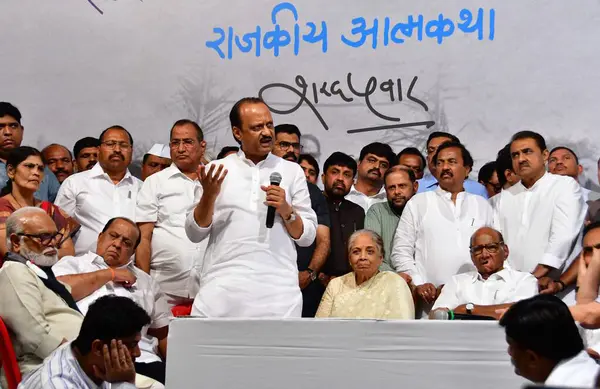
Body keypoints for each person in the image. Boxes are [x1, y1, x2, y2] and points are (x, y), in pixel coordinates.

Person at [185, 97, 317, 318]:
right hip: (223, 288)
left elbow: (307, 237)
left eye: (269, 125)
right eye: (257, 127)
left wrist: (286, 209)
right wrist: (208, 196)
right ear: (237, 133)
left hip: (278, 291)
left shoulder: (292, 171)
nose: (267, 133)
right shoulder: (217, 170)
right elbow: (194, 233)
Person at [53, 217, 171, 384]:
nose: (117, 244)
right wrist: (110, 274)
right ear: (100, 237)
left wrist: (178, 368)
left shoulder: (146, 282)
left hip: (142, 360)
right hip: (93, 359)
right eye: (113, 236)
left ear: (133, 252)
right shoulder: (73, 264)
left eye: (126, 243)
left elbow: (163, 334)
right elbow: (57, 292)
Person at [391, 142, 493, 316]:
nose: (445, 167)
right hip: (430, 301)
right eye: (440, 163)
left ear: (467, 169)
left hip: (476, 300)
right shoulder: (418, 203)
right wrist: (419, 283)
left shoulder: (482, 205)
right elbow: (400, 251)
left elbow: (494, 252)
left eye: (452, 161)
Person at [0, 208, 83, 376]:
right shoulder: (14, 271)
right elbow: (36, 335)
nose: (52, 242)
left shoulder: (41, 274)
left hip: (71, 366)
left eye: (54, 236)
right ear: (16, 242)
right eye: (44, 237)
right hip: (49, 370)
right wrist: (83, 362)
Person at [493, 131, 586, 279]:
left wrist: (536, 275)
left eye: (527, 152)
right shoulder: (504, 197)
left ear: (544, 155)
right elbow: (497, 242)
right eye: (515, 155)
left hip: (552, 285)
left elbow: (563, 235)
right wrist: (510, 279)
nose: (521, 159)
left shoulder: (564, 186)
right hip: (511, 286)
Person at [18, 295, 161, 389]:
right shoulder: (57, 384)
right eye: (131, 345)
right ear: (98, 348)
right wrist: (124, 384)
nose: (137, 353)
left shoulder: (83, 354)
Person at [136, 120, 207, 307]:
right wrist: (145, 285)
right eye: (175, 143)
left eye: (187, 142)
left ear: (202, 146)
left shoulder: (217, 180)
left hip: (210, 286)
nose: (181, 148)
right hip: (163, 286)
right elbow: (144, 237)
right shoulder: (155, 182)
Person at [273, 124, 330, 317]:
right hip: (268, 278)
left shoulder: (313, 191)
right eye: (283, 144)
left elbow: (323, 239)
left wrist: (310, 273)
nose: (291, 150)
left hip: (304, 282)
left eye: (295, 146)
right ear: (270, 145)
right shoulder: (262, 181)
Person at [56, 125, 142, 255]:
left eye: (123, 145)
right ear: (99, 149)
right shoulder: (75, 183)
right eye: (110, 144)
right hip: (82, 269)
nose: (117, 149)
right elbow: (59, 231)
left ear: (131, 150)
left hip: (127, 270)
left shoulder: (142, 188)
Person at [430, 227, 537, 319]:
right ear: (471, 256)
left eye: (491, 247)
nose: (484, 255)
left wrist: (467, 309)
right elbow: (436, 315)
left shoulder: (524, 280)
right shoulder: (457, 282)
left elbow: (523, 312)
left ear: (505, 251)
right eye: (477, 249)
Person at [500, 295, 599, 387]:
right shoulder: (589, 371)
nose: (509, 352)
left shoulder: (561, 384)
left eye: (511, 346)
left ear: (532, 358)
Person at [0, 147, 80, 258]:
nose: (36, 173)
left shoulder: (50, 209)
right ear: (11, 171)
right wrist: (49, 252)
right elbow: (10, 251)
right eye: (29, 166)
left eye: (40, 169)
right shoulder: (2, 207)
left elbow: (69, 251)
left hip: (52, 273)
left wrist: (40, 255)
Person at [316, 230, 414, 319]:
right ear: (350, 259)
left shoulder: (394, 283)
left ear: (381, 258)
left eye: (370, 252)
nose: (362, 257)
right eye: (356, 252)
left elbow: (403, 328)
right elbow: (319, 327)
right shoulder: (336, 285)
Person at [320, 152, 365, 287]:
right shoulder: (311, 205)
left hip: (350, 285)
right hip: (315, 283)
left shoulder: (357, 211)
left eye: (346, 175)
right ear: (323, 177)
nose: (340, 178)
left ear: (352, 182)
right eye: (335, 172)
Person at [0, 102, 60, 202]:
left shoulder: (40, 167)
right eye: (0, 127)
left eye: (13, 126)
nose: (8, 132)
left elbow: (57, 207)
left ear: (22, 131)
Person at [365, 166, 418, 272]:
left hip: (424, 282)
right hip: (387, 281)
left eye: (402, 186)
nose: (397, 192)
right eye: (391, 187)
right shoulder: (377, 212)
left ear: (415, 186)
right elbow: (372, 254)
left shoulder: (426, 210)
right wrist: (397, 278)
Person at [417, 131, 488, 198]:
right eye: (431, 150)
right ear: (427, 158)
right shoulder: (416, 187)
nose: (437, 154)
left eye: (443, 148)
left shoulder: (478, 190)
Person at [345, 142, 395, 212]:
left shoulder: (392, 199)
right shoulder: (343, 195)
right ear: (359, 164)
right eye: (372, 160)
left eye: (383, 165)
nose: (377, 166)